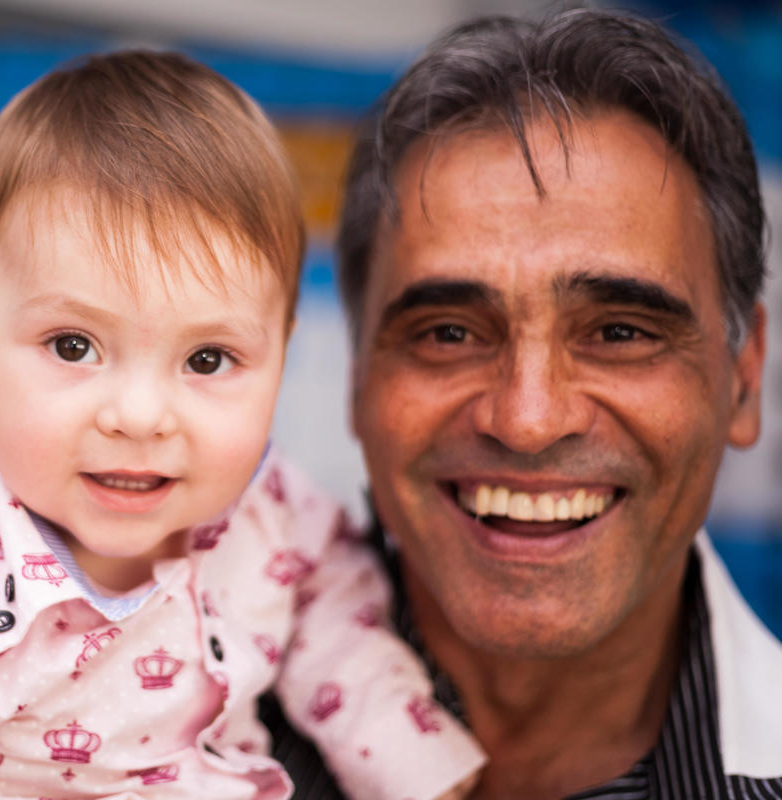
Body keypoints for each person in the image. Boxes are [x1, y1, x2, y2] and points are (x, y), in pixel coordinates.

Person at [0, 51, 485, 800]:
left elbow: (334, 612)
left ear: (281, 357)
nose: (140, 417)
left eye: (208, 359)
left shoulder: (274, 518)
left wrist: (403, 753)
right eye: (73, 346)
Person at [270, 8, 782, 800]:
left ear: (743, 377)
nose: (528, 420)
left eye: (619, 331)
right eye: (447, 332)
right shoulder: (120, 719)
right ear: (357, 376)